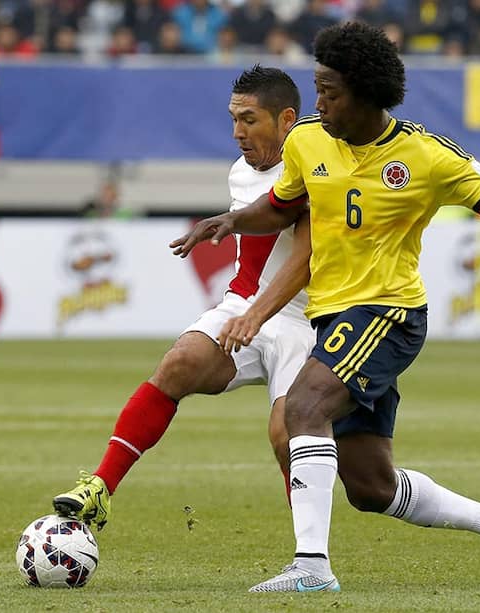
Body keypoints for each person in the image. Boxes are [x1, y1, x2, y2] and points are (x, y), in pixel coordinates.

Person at [171, 21, 480, 592]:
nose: (318, 104)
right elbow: (282, 206)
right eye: (317, 90)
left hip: (387, 313)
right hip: (331, 318)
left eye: (329, 92)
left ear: (364, 93)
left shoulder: (425, 155)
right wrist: (232, 220)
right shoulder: (308, 140)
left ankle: (311, 569)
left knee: (303, 407)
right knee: (370, 486)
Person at [53, 65, 312, 529]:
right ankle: (101, 487)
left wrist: (257, 313)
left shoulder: (316, 169)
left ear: (286, 119)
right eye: (233, 119)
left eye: (249, 120)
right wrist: (247, 308)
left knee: (287, 435)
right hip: (244, 306)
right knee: (179, 363)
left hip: (304, 319)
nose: (237, 133)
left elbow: (306, 258)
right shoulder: (241, 172)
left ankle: (310, 552)